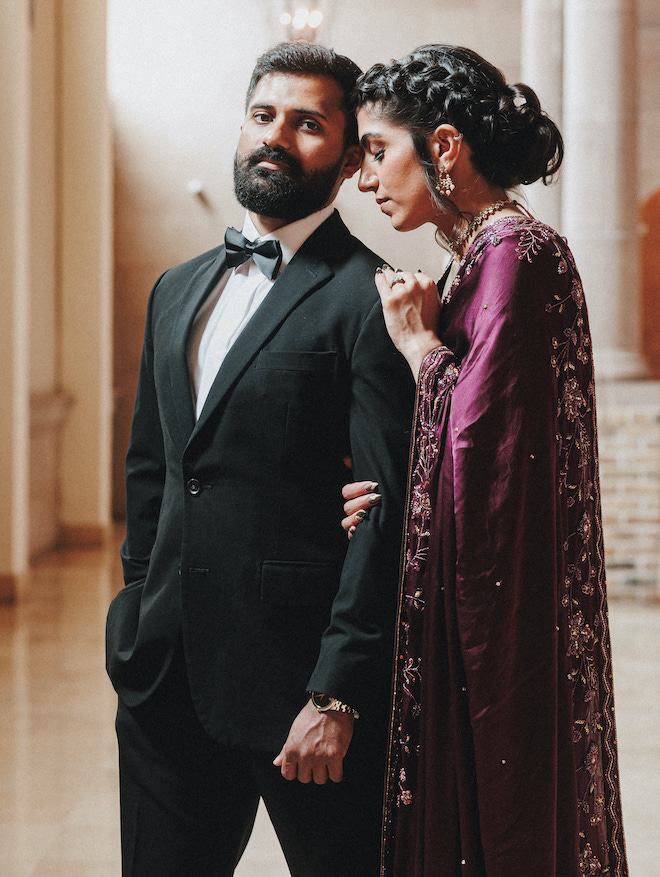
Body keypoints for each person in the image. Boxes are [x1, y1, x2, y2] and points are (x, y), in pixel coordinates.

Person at [105, 41, 414, 877]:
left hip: (301, 697)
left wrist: (338, 692)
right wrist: (135, 613)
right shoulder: (176, 288)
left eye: (308, 124)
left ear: (351, 159)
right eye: (263, 116)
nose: (276, 137)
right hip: (165, 686)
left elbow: (384, 514)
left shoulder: (371, 299)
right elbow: (153, 470)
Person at [342, 45, 629, 877]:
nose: (365, 178)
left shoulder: (512, 255)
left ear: (442, 145)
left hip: (498, 627)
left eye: (376, 150)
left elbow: (488, 461)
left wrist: (420, 347)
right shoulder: (479, 258)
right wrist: (388, 498)